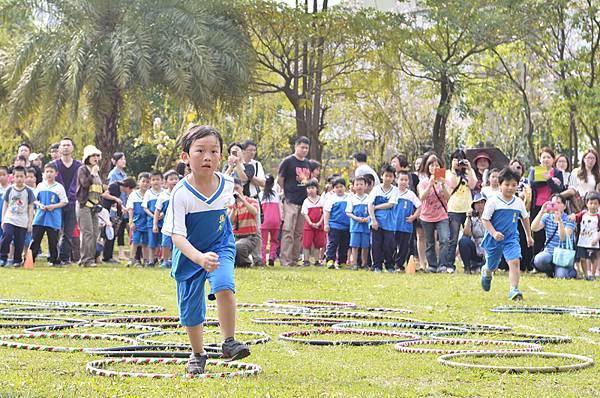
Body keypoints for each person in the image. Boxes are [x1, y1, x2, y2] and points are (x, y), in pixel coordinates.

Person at [162, 125, 250, 374]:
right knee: (191, 308)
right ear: (185, 157)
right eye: (200, 151)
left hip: (220, 245)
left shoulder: (226, 183)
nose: (207, 157)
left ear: (221, 156)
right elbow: (177, 235)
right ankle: (198, 354)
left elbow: (225, 209)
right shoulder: (180, 193)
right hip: (190, 253)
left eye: (214, 151)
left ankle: (229, 342)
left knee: (224, 283)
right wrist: (198, 257)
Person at [480, 167, 534, 301]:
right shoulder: (493, 201)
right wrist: (494, 233)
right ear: (500, 185)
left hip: (511, 238)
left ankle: (514, 289)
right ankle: (487, 271)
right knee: (493, 265)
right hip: (494, 239)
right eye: (507, 184)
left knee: (515, 261)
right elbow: (485, 219)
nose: (510, 188)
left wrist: (528, 235)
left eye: (514, 185)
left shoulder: (518, 202)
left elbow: (525, 218)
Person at [278, 136, 311, 267]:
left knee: (298, 233)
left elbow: (308, 180)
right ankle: (285, 260)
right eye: (302, 147)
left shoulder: (307, 163)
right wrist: (285, 192)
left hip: (303, 202)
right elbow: (280, 179)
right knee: (288, 231)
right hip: (290, 200)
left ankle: (294, 260)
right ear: (296, 147)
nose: (304, 150)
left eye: (306, 148)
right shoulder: (288, 161)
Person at [28, 162, 68, 266]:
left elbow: (64, 201)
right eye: (47, 172)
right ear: (43, 173)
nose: (49, 174)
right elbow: (34, 199)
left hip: (53, 218)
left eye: (51, 171)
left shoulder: (59, 187)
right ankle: (30, 259)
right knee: (36, 239)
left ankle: (54, 260)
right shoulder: (40, 186)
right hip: (40, 217)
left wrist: (53, 206)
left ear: (56, 174)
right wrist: (40, 205)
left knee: (53, 240)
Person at [528, 147, 564, 261]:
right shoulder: (535, 170)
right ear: (540, 159)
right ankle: (535, 261)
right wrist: (550, 179)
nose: (546, 159)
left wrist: (549, 179)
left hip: (553, 206)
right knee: (537, 233)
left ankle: (552, 259)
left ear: (553, 159)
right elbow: (533, 184)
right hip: (538, 206)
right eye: (543, 157)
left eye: (548, 157)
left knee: (550, 232)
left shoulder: (557, 172)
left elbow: (557, 190)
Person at [418, 154, 451, 273]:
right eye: (431, 165)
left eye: (437, 165)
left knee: (445, 239)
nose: (434, 167)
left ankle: (442, 265)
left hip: (442, 215)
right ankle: (432, 265)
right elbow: (422, 197)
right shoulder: (423, 182)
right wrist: (430, 184)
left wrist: (442, 184)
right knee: (430, 242)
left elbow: (448, 198)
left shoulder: (446, 181)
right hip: (427, 216)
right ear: (428, 168)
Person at [531, 194, 577, 279]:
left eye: (558, 203)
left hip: (563, 253)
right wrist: (541, 212)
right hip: (549, 252)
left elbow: (563, 238)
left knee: (561, 276)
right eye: (553, 203)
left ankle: (570, 271)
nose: (555, 206)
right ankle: (551, 271)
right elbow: (534, 228)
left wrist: (559, 221)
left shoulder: (569, 219)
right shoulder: (547, 217)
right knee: (539, 260)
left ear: (564, 206)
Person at [446, 150, 477, 272]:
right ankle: (450, 265)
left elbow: (473, 185)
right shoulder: (449, 173)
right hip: (453, 209)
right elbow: (452, 185)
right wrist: (454, 170)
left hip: (467, 209)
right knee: (452, 239)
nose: (459, 162)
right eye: (456, 159)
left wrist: (468, 169)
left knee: (467, 238)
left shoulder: (469, 172)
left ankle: (468, 264)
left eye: (461, 159)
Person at [52, 137, 82, 265]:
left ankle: (65, 258)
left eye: (68, 145)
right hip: (56, 203)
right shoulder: (54, 165)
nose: (65, 147)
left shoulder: (79, 165)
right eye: (63, 145)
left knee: (68, 232)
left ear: (72, 148)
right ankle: (54, 257)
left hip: (73, 202)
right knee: (54, 231)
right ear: (59, 149)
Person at [0, 166, 35, 267]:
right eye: (17, 176)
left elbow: (30, 207)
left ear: (24, 177)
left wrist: (30, 222)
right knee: (7, 234)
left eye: (21, 176)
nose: (19, 179)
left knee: (19, 241)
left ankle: (17, 260)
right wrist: (3, 219)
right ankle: (3, 257)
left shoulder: (28, 191)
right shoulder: (9, 189)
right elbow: (5, 205)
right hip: (9, 218)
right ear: (13, 177)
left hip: (22, 220)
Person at [76, 145, 104, 267]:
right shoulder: (83, 169)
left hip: (94, 206)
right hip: (84, 205)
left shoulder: (97, 171)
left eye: (97, 155)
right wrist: (92, 174)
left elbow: (99, 190)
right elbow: (85, 184)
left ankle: (90, 257)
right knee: (87, 232)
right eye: (93, 155)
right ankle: (86, 259)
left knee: (95, 232)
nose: (96, 158)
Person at [368, 165, 399, 272]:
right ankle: (377, 265)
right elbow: (370, 205)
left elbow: (391, 204)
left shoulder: (395, 190)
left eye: (391, 176)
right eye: (386, 176)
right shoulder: (376, 189)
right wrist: (373, 220)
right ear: (382, 176)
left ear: (394, 178)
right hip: (377, 222)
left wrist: (376, 207)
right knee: (376, 244)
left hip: (390, 223)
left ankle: (389, 265)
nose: (388, 178)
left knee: (389, 245)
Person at [101, 177, 136, 263]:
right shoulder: (115, 186)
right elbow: (104, 195)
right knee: (109, 235)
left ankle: (109, 256)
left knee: (111, 235)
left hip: (111, 214)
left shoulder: (119, 190)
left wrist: (123, 208)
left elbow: (117, 203)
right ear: (128, 187)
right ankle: (106, 257)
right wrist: (115, 198)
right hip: (105, 213)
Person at [228, 178, 261, 267]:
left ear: (242, 188)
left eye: (237, 188)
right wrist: (233, 210)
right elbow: (229, 223)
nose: (235, 191)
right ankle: (237, 263)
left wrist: (243, 200)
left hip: (250, 237)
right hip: (235, 237)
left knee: (238, 247)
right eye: (233, 189)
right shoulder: (231, 205)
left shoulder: (252, 201)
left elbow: (254, 212)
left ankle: (247, 263)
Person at [393, 171, 422, 272]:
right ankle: (391, 263)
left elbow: (419, 206)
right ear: (396, 180)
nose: (403, 182)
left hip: (405, 225)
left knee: (404, 246)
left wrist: (414, 216)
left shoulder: (410, 194)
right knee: (391, 245)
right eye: (401, 179)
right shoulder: (393, 192)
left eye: (406, 180)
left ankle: (399, 265)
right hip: (393, 225)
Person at [570, 192, 600, 280]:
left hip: (593, 241)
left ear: (598, 205)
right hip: (582, 240)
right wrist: (572, 216)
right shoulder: (583, 214)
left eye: (595, 203)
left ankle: (593, 274)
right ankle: (586, 274)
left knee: (593, 258)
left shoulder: (598, 217)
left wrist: (597, 238)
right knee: (582, 258)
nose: (593, 206)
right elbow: (575, 217)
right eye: (591, 203)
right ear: (587, 204)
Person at [154, 170, 180, 269]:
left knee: (177, 243)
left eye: (176, 179)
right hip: (167, 224)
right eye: (171, 179)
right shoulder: (163, 195)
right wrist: (155, 224)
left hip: (179, 223)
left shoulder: (181, 193)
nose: (174, 181)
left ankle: (174, 260)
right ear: (166, 182)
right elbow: (157, 210)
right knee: (165, 243)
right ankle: (165, 260)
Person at [323, 177, 351, 269]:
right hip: (334, 225)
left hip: (347, 226)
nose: (339, 189)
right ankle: (330, 260)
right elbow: (327, 212)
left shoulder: (349, 197)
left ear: (345, 187)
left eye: (341, 186)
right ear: (333, 189)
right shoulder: (331, 198)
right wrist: (326, 224)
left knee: (344, 244)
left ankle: (342, 261)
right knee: (333, 243)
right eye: (337, 187)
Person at [107, 152, 129, 260]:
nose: (123, 161)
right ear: (115, 161)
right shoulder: (113, 174)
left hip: (123, 204)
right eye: (121, 159)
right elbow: (111, 191)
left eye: (124, 159)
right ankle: (107, 253)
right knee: (114, 229)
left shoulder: (124, 174)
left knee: (122, 228)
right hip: (115, 206)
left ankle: (121, 252)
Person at [458, 194, 487, 274]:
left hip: (488, 247)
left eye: (482, 202)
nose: (480, 205)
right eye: (477, 203)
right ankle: (467, 267)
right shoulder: (472, 218)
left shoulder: (491, 217)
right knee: (463, 240)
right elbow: (466, 233)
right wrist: (468, 218)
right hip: (476, 247)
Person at [346, 176, 370, 270]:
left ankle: (364, 264)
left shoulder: (369, 198)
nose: (359, 186)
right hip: (355, 226)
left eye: (361, 184)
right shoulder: (351, 198)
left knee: (365, 245)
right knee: (354, 245)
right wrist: (356, 218)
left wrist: (368, 218)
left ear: (365, 186)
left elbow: (372, 211)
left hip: (366, 225)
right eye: (357, 184)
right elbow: (348, 212)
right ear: (353, 186)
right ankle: (354, 263)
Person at [126, 172, 150, 267]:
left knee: (145, 242)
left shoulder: (150, 194)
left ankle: (146, 260)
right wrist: (131, 221)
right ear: (138, 182)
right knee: (135, 241)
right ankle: (132, 259)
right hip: (137, 222)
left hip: (147, 222)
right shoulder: (134, 195)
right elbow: (130, 209)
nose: (145, 184)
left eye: (147, 182)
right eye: (143, 181)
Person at [301, 179, 325, 267]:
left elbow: (324, 213)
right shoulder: (306, 201)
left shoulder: (321, 200)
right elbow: (305, 213)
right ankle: (306, 260)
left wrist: (319, 222)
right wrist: (310, 223)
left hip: (319, 225)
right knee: (306, 243)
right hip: (309, 225)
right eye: (308, 188)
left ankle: (317, 260)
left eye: (313, 188)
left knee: (318, 244)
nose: (311, 190)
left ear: (317, 189)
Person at [142, 170, 164, 266]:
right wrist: (153, 215)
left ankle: (163, 259)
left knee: (163, 241)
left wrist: (162, 214)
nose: (155, 182)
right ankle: (151, 260)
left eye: (157, 179)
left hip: (163, 221)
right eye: (153, 180)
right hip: (151, 221)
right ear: (150, 181)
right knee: (151, 242)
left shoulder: (165, 193)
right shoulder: (148, 193)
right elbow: (145, 207)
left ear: (162, 181)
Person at [259, 175, 281, 266]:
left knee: (263, 241)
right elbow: (279, 207)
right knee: (274, 240)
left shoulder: (260, 195)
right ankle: (272, 257)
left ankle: (263, 260)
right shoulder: (276, 194)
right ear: (273, 184)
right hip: (275, 220)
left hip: (265, 220)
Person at [0, 166, 9, 242]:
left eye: (4, 174)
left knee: (6, 238)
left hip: (7, 218)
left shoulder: (11, 188)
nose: (1, 177)